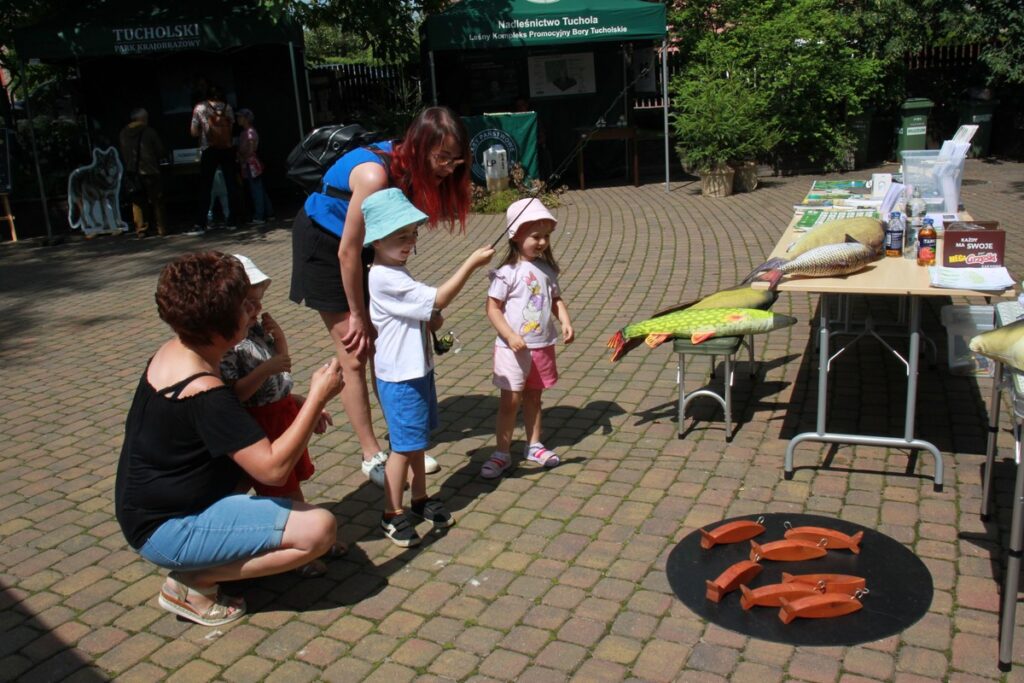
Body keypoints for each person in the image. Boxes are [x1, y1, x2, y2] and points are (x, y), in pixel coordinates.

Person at [115, 251, 343, 626]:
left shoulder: (177, 352)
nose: (254, 311)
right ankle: (195, 581)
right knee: (319, 530)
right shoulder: (205, 392)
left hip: (153, 508)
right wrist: (318, 395)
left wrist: (296, 402)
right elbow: (272, 469)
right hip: (167, 528)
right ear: (222, 327)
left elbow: (235, 419)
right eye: (245, 305)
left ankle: (204, 562)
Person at [289, 107, 472, 487]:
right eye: (442, 158)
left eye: (456, 161)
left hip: (363, 250)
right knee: (355, 353)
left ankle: (403, 442)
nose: (449, 169)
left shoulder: (409, 171)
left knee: (383, 349)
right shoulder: (375, 174)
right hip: (326, 246)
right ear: (420, 147)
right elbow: (347, 252)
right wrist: (358, 313)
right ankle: (371, 454)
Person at [363, 188, 494, 546]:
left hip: (418, 371)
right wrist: (470, 263)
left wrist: (429, 320)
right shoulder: (384, 276)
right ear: (376, 240)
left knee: (416, 442)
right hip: (400, 378)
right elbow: (438, 297)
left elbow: (422, 310)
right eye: (400, 236)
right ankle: (391, 512)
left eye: (413, 234)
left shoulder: (395, 271)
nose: (409, 242)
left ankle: (419, 499)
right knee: (402, 449)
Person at [220, 255, 344, 577]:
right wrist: (265, 369)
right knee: (280, 490)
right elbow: (236, 394)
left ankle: (314, 538)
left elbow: (283, 370)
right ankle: (298, 550)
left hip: (281, 411)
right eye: (249, 303)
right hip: (263, 425)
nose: (257, 311)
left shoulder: (257, 332)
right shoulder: (230, 346)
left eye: (259, 302)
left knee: (293, 484)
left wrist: (303, 402)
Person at [481, 199, 574, 479]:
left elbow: (555, 300)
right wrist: (509, 335)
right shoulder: (506, 273)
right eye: (535, 236)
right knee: (510, 401)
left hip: (542, 345)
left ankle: (534, 445)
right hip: (512, 349)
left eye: (546, 236)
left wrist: (565, 320)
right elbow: (492, 308)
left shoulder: (547, 271)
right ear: (516, 235)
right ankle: (501, 453)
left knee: (534, 397)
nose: (542, 242)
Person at [190, 85, 240, 232]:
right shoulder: (228, 108)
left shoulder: (200, 108)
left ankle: (201, 222)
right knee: (231, 184)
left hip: (209, 148)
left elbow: (193, 132)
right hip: (226, 148)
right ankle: (232, 220)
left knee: (206, 186)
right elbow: (230, 129)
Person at [118, 108, 166, 237]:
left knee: (138, 202)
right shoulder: (149, 132)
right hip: (150, 170)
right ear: (143, 119)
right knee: (157, 200)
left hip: (132, 172)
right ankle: (161, 228)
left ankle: (141, 229)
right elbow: (160, 150)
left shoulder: (123, 133)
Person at [235, 108, 274, 225]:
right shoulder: (243, 133)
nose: (238, 119)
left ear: (246, 119)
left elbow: (252, 149)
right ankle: (269, 212)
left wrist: (242, 156)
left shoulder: (250, 132)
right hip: (247, 163)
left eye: (240, 117)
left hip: (251, 163)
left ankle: (259, 216)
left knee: (256, 189)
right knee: (259, 188)